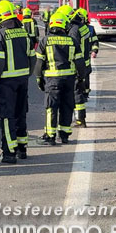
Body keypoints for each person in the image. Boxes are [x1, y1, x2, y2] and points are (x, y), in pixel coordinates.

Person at [0, 0, 32, 163]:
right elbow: (32, 58)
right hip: (23, 80)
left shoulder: (0, 35)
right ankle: (22, 149)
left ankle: (8, 153)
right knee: (21, 113)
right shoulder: (23, 33)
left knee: (7, 116)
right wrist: (26, 75)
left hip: (7, 82)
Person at [34, 12, 86, 145]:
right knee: (67, 106)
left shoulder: (45, 41)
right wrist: (81, 79)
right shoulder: (72, 41)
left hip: (52, 80)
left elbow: (39, 63)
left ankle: (50, 136)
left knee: (51, 107)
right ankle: (64, 135)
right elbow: (80, 62)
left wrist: (39, 79)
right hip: (69, 80)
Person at [69, 8, 97, 127]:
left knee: (76, 91)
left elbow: (74, 47)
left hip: (77, 63)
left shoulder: (75, 30)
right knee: (80, 88)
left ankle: (79, 120)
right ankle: (80, 119)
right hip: (84, 61)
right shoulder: (85, 28)